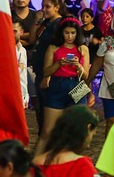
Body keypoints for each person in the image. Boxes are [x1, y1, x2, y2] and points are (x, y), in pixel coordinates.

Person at [34, 17, 90, 155]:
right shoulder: (53, 48)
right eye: (66, 33)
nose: (70, 36)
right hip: (57, 86)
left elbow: (86, 76)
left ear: (77, 33)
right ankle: (34, 166)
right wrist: (59, 64)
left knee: (78, 132)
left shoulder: (83, 49)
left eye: (72, 33)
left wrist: (78, 66)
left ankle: (74, 164)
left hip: (77, 85)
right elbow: (46, 71)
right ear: (61, 33)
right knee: (48, 131)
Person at [29, 0, 66, 132]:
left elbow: (57, 52)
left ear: (57, 7)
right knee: (40, 109)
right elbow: (33, 40)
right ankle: (43, 137)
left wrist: (48, 75)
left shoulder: (59, 25)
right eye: (42, 6)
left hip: (50, 74)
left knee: (48, 109)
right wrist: (36, 23)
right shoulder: (45, 23)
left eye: (47, 7)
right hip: (39, 71)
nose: (43, 9)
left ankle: (48, 139)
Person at [33, 105, 99, 176]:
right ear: (88, 128)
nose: (89, 145)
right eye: (92, 134)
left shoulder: (36, 163)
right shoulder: (82, 165)